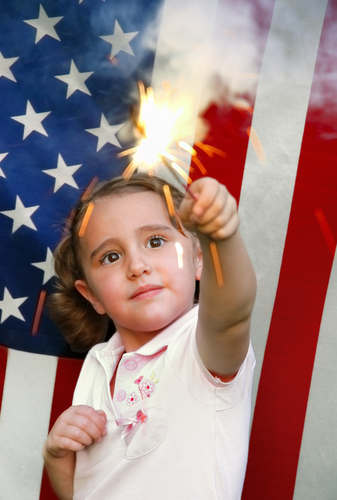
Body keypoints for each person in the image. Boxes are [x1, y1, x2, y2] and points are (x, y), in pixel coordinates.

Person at [43, 173, 256, 500]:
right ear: (92, 296)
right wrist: (56, 456)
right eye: (110, 257)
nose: (137, 265)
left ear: (198, 258)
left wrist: (220, 239)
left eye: (155, 241)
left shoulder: (199, 348)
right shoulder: (97, 366)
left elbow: (232, 314)